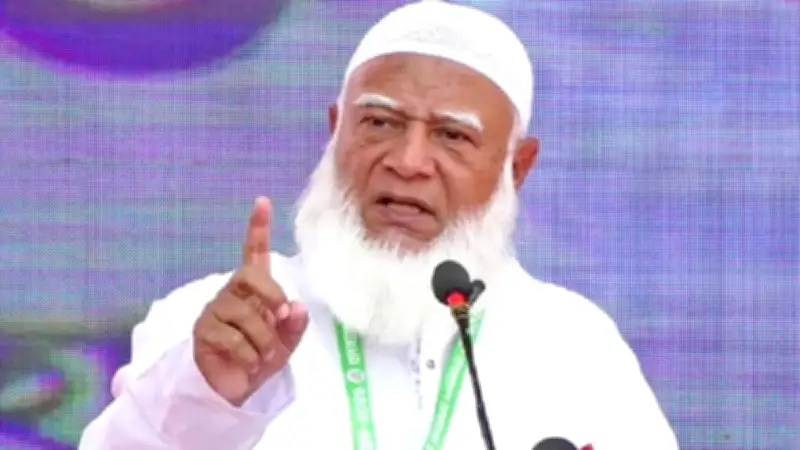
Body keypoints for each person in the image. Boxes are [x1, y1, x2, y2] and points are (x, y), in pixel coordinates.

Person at [79, 1, 679, 449]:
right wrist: (207, 398)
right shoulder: (217, 326)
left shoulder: (574, 347)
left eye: (452, 136)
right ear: (334, 131)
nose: (408, 162)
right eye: (380, 124)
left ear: (515, 167)